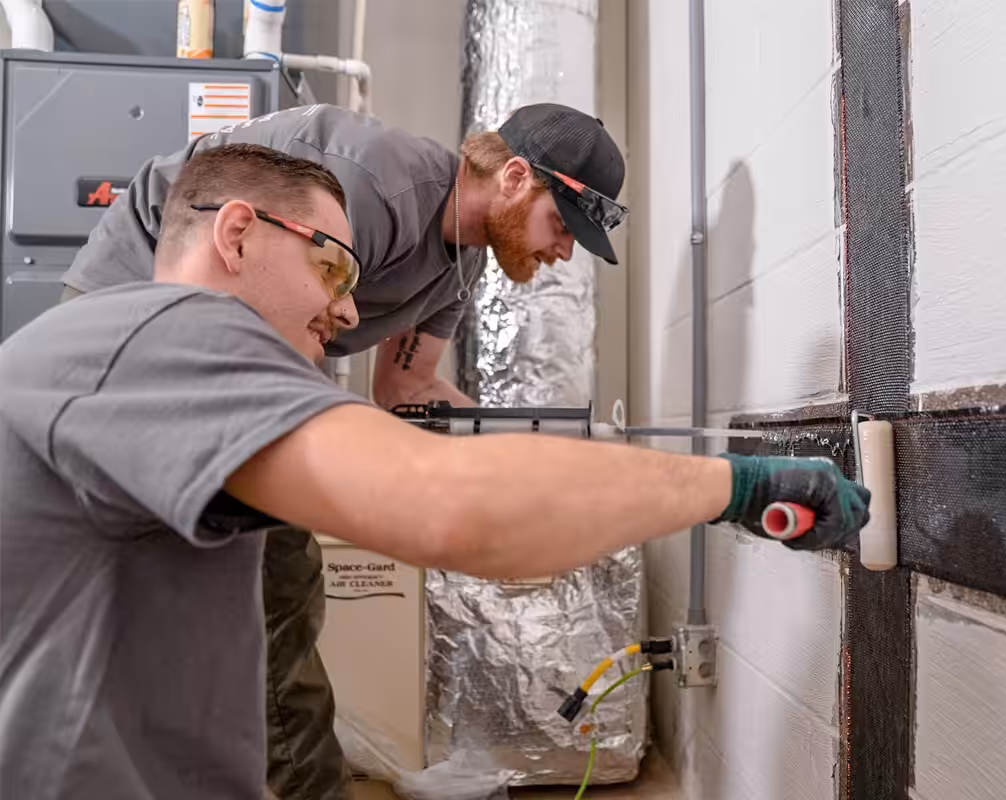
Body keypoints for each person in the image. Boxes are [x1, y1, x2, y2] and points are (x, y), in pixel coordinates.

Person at [0, 144, 870, 800]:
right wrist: (744, 485)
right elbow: (455, 511)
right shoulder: (178, 328)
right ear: (235, 234)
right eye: (331, 265)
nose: (346, 310)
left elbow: (410, 396)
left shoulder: (123, 355)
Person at [60, 101, 629, 799]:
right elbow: (253, 303)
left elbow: (406, 387)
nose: (563, 250)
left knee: (251, 574)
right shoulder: (378, 189)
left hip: (245, 341)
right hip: (144, 295)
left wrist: (527, 449)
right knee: (273, 572)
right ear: (515, 177)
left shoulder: (460, 268)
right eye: (563, 226)